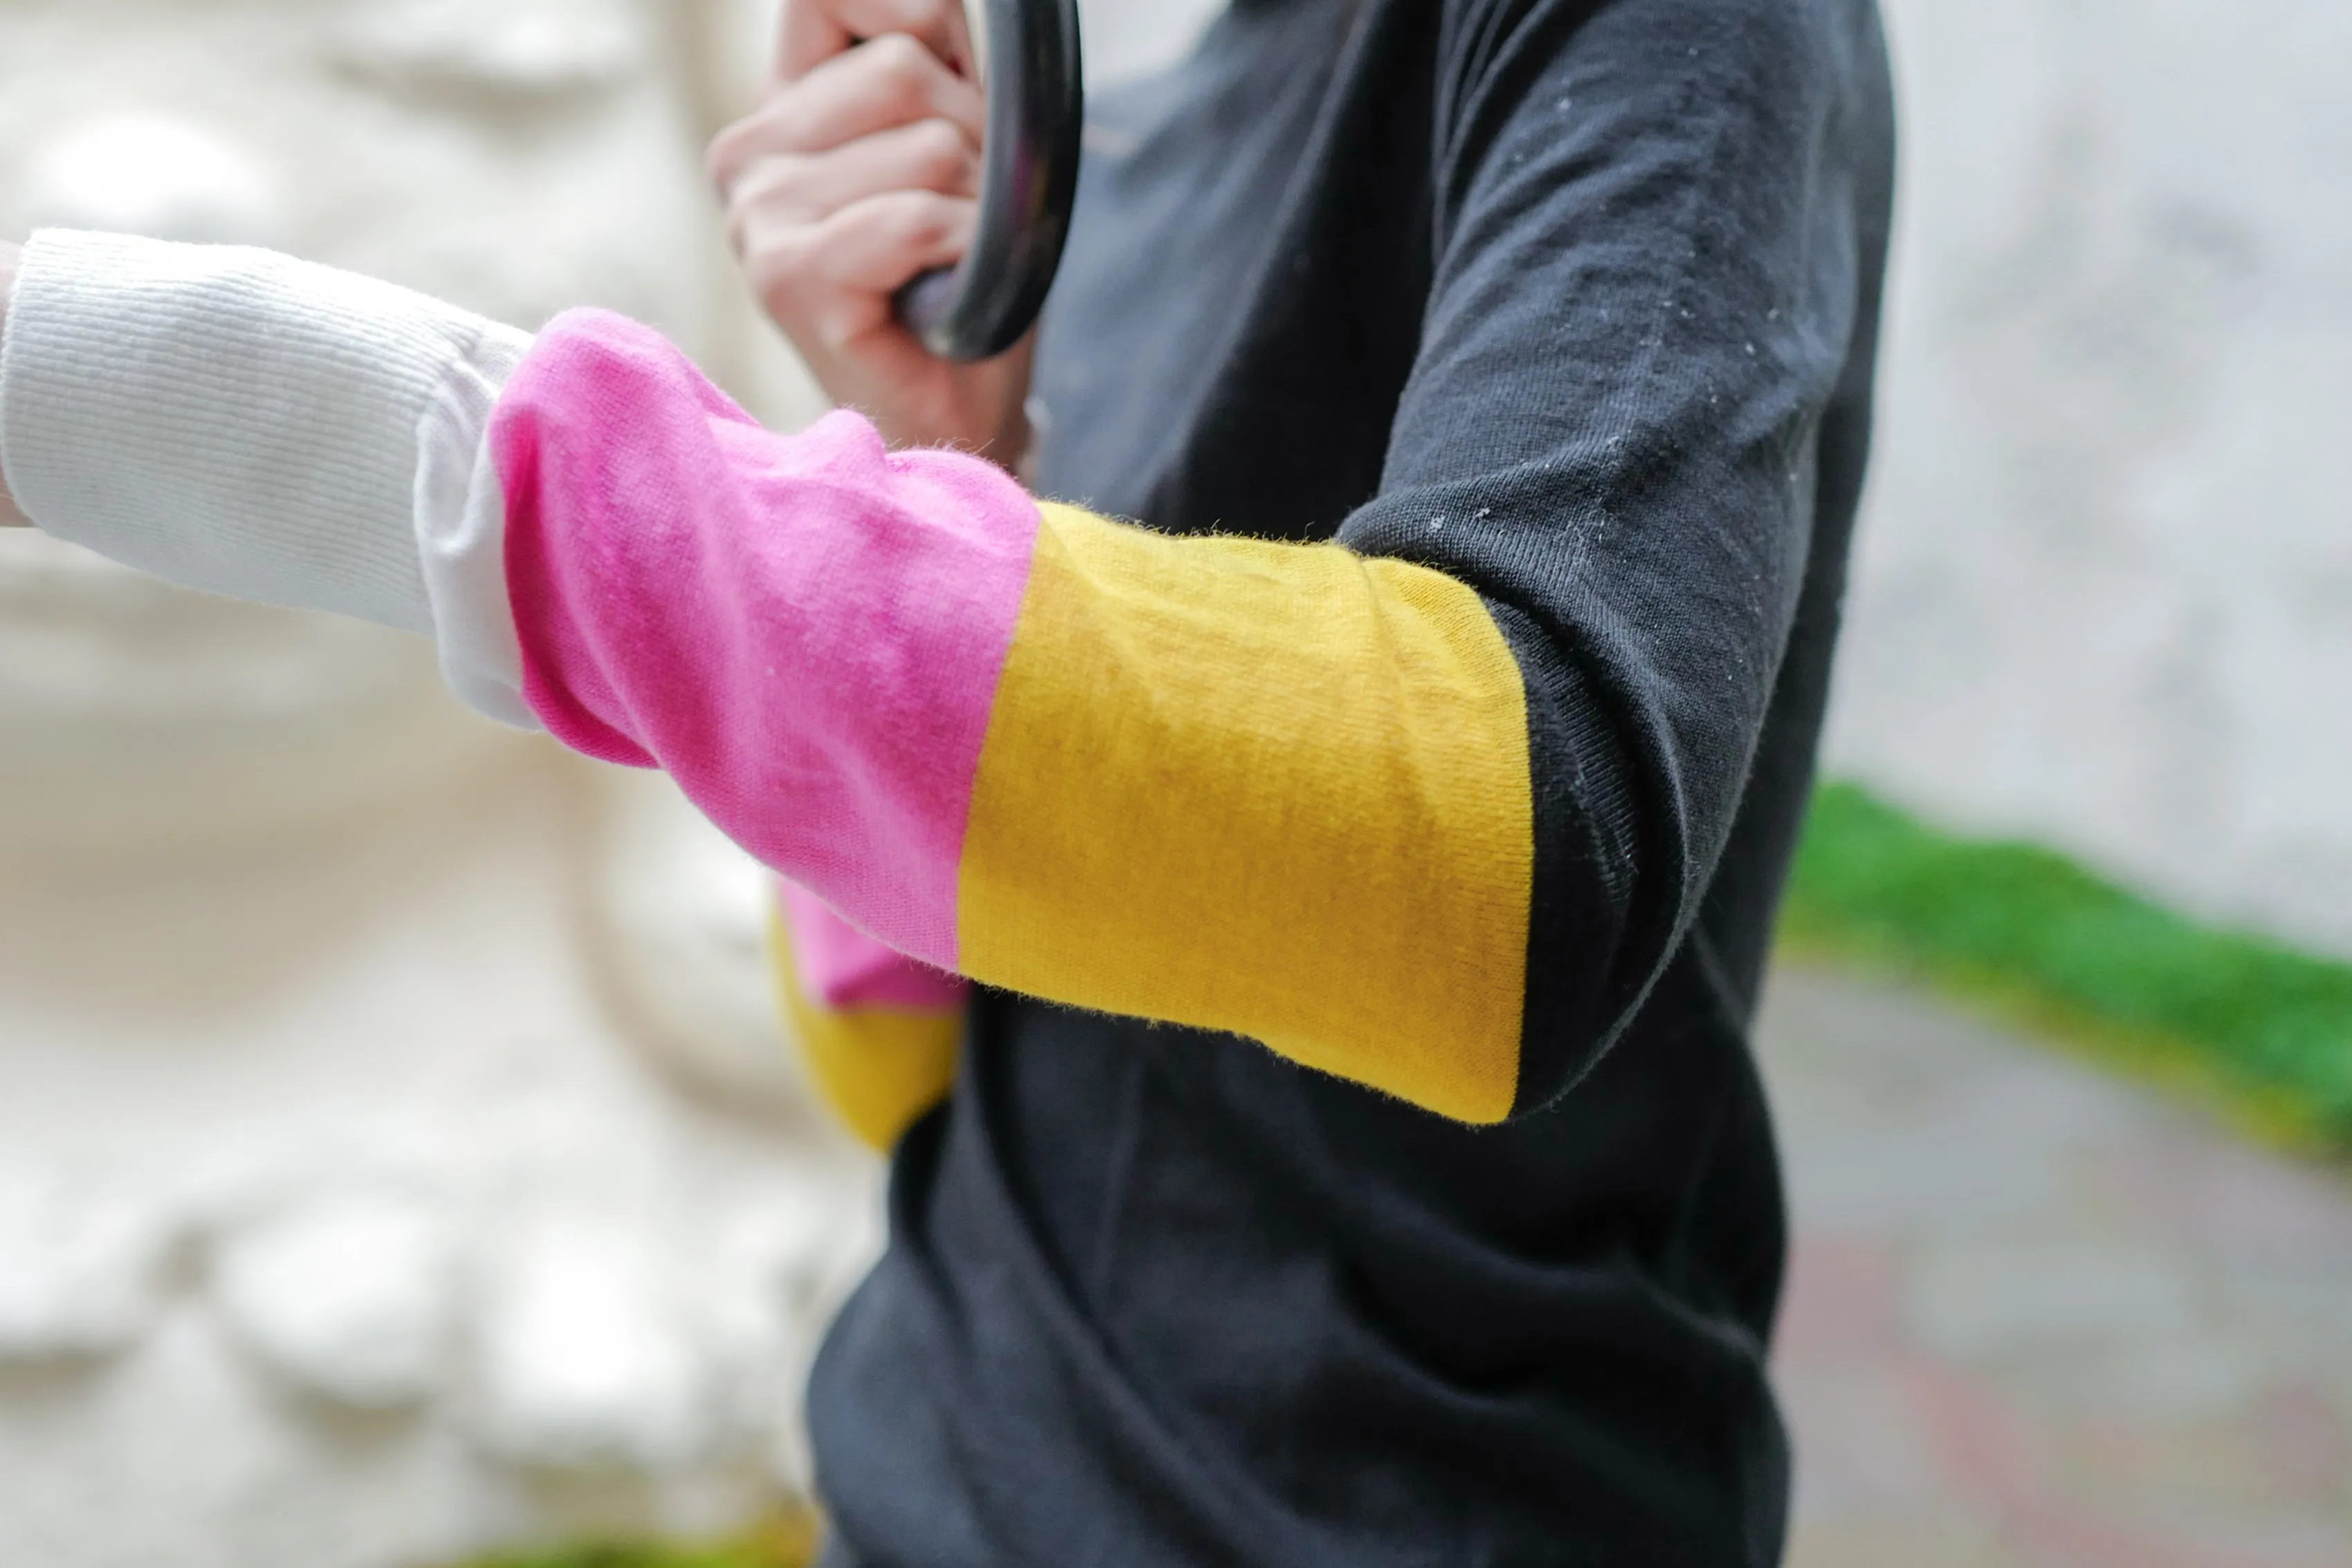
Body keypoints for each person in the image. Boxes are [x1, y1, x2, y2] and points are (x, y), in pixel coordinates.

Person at [0, 0, 1895, 1560]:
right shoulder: (1120, 132)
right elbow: (933, 1075)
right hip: (927, 1479)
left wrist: (275, 420)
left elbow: (1507, 853)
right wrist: (934, 460)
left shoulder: (1672, 34)